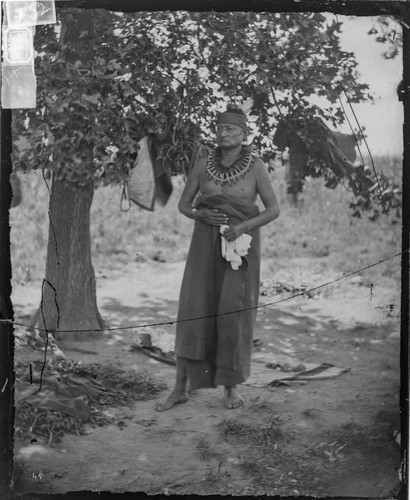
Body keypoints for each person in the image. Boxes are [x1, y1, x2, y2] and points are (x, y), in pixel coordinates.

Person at [156, 107, 280, 411]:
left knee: (232, 312)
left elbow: (273, 209)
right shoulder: (202, 164)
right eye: (220, 128)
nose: (223, 133)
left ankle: (229, 388)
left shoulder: (256, 167)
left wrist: (241, 228)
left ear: (244, 134)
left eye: (231, 129)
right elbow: (184, 205)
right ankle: (179, 388)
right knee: (194, 309)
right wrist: (199, 213)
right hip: (204, 243)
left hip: (241, 245)